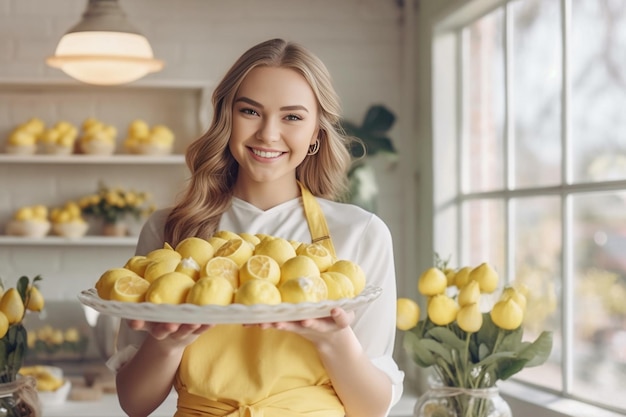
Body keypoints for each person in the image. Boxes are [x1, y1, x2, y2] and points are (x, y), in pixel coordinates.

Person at [110, 38, 404, 417]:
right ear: (225, 117)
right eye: (250, 111)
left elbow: (372, 409)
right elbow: (134, 404)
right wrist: (167, 345)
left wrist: (335, 341)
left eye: (292, 117)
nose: (268, 133)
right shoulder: (170, 230)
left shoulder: (362, 233)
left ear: (317, 132)